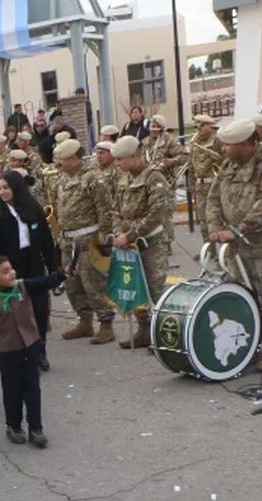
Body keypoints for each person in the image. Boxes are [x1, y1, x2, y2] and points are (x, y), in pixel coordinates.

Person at [206, 119, 262, 372]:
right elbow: (213, 198)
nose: (223, 149)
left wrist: (237, 230)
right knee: (242, 296)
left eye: (228, 145)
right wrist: (214, 227)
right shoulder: (228, 164)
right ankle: (250, 344)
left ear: (244, 144)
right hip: (234, 248)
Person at [0, 257, 66, 448]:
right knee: (12, 391)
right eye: (5, 272)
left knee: (32, 388)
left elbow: (44, 282)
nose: (12, 273)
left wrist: (62, 274)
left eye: (11, 269)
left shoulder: (23, 286)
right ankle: (14, 426)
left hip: (31, 346)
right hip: (9, 352)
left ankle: (36, 428)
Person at [46, 140, 115, 347]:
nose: (58, 163)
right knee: (73, 285)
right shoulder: (62, 178)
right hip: (68, 240)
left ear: (74, 158)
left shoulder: (93, 177)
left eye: (62, 159)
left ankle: (106, 324)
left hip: (89, 240)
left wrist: (104, 238)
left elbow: (105, 209)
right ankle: (85, 321)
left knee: (94, 284)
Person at [0, 170, 60, 370]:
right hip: (12, 266)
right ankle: (26, 353)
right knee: (19, 311)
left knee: (39, 310)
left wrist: (54, 270)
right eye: (0, 188)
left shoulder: (33, 209)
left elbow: (46, 242)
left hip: (34, 263)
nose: (2, 192)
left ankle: (41, 351)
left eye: (6, 187)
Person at [109, 136, 169, 349]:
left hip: (150, 242)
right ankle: (144, 330)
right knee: (134, 287)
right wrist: (118, 233)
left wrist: (130, 235)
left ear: (134, 156)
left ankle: (165, 334)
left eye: (120, 159)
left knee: (156, 288)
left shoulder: (154, 177)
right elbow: (115, 210)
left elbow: (156, 212)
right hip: (128, 244)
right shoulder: (122, 178)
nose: (117, 163)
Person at [188, 114, 224, 240]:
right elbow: (191, 165)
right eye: (197, 126)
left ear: (210, 125)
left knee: (220, 218)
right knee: (204, 221)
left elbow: (226, 161)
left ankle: (226, 248)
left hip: (215, 184)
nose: (199, 128)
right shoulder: (195, 141)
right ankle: (209, 248)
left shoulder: (217, 140)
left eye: (202, 125)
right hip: (200, 186)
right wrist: (192, 186)